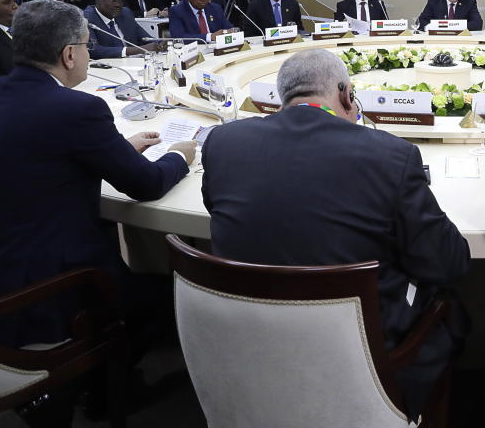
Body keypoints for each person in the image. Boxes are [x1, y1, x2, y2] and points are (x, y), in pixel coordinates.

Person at [201, 49, 470, 419]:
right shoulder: (391, 156)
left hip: (246, 353)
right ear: (346, 94)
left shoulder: (222, 143)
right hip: (362, 366)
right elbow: (448, 264)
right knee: (448, 304)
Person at [0, 0, 195, 349]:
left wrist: (115, 147)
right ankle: (122, 370)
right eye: (85, 45)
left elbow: (41, 153)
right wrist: (178, 156)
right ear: (68, 55)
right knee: (176, 293)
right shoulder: (77, 110)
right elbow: (147, 184)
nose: (88, 53)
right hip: (48, 289)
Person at [85, 0, 165, 58]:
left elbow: (146, 38)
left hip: (135, 64)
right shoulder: (86, 18)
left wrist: (160, 43)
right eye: (112, 0)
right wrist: (135, 50)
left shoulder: (125, 13)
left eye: (120, 0)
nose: (117, 4)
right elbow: (93, 50)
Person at [167, 0, 234, 42]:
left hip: (217, 49)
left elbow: (229, 29)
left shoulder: (216, 9)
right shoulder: (177, 11)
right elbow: (178, 37)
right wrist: (209, 37)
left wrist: (231, 31)